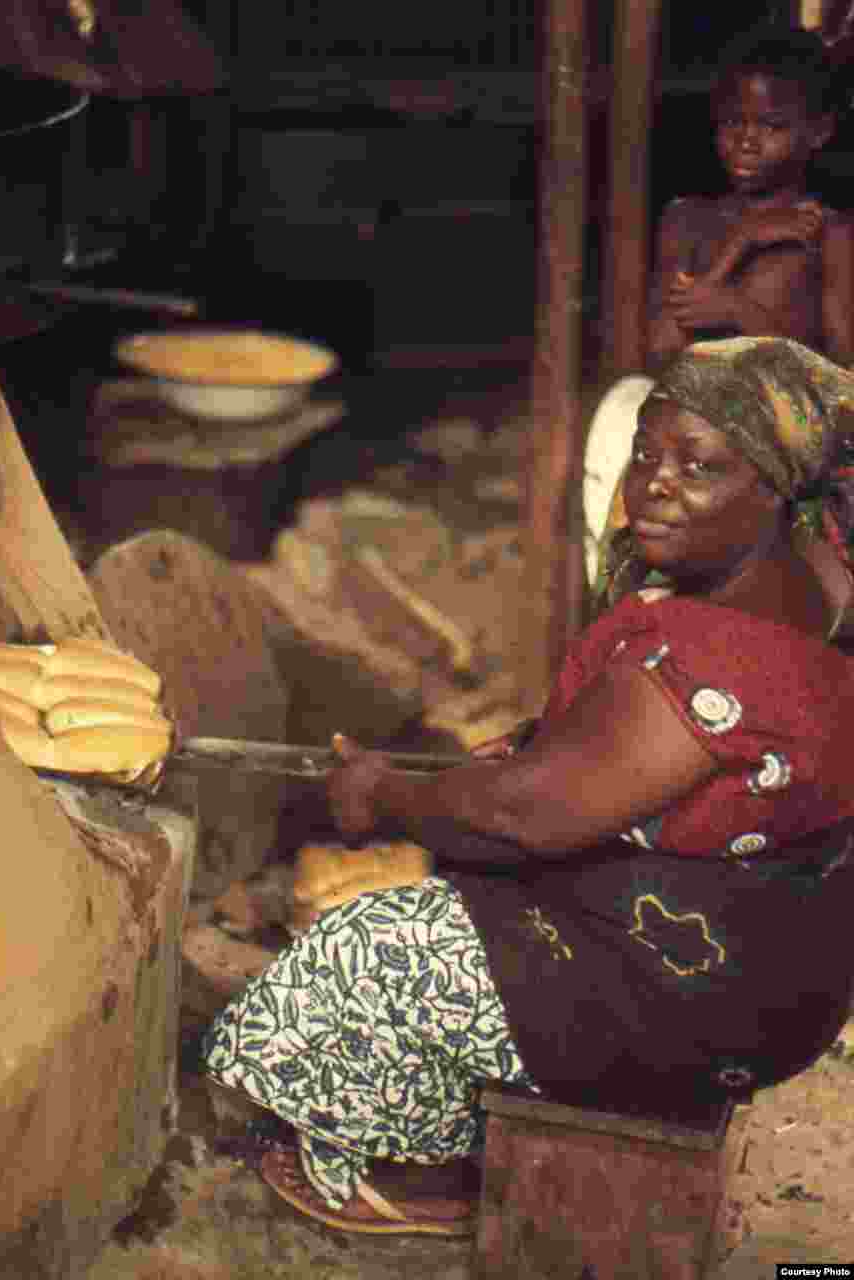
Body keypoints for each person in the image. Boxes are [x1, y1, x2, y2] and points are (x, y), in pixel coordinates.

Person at [202, 337, 854, 1236]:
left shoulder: (718, 659)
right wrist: (521, 760)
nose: (655, 484)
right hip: (782, 966)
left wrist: (389, 796)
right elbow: (597, 767)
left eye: (700, 467)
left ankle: (420, 1180)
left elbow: (527, 818)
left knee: (362, 950)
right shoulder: (815, 571)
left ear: (776, 488)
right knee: (464, 864)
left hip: (701, 997)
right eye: (647, 454)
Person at [584, 24, 854, 587]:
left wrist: (739, 311)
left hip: (785, 448)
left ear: (819, 131)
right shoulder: (687, 221)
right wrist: (740, 247)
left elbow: (841, 376)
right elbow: (660, 347)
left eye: (772, 126)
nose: (747, 141)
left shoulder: (830, 235)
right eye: (734, 123)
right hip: (688, 440)